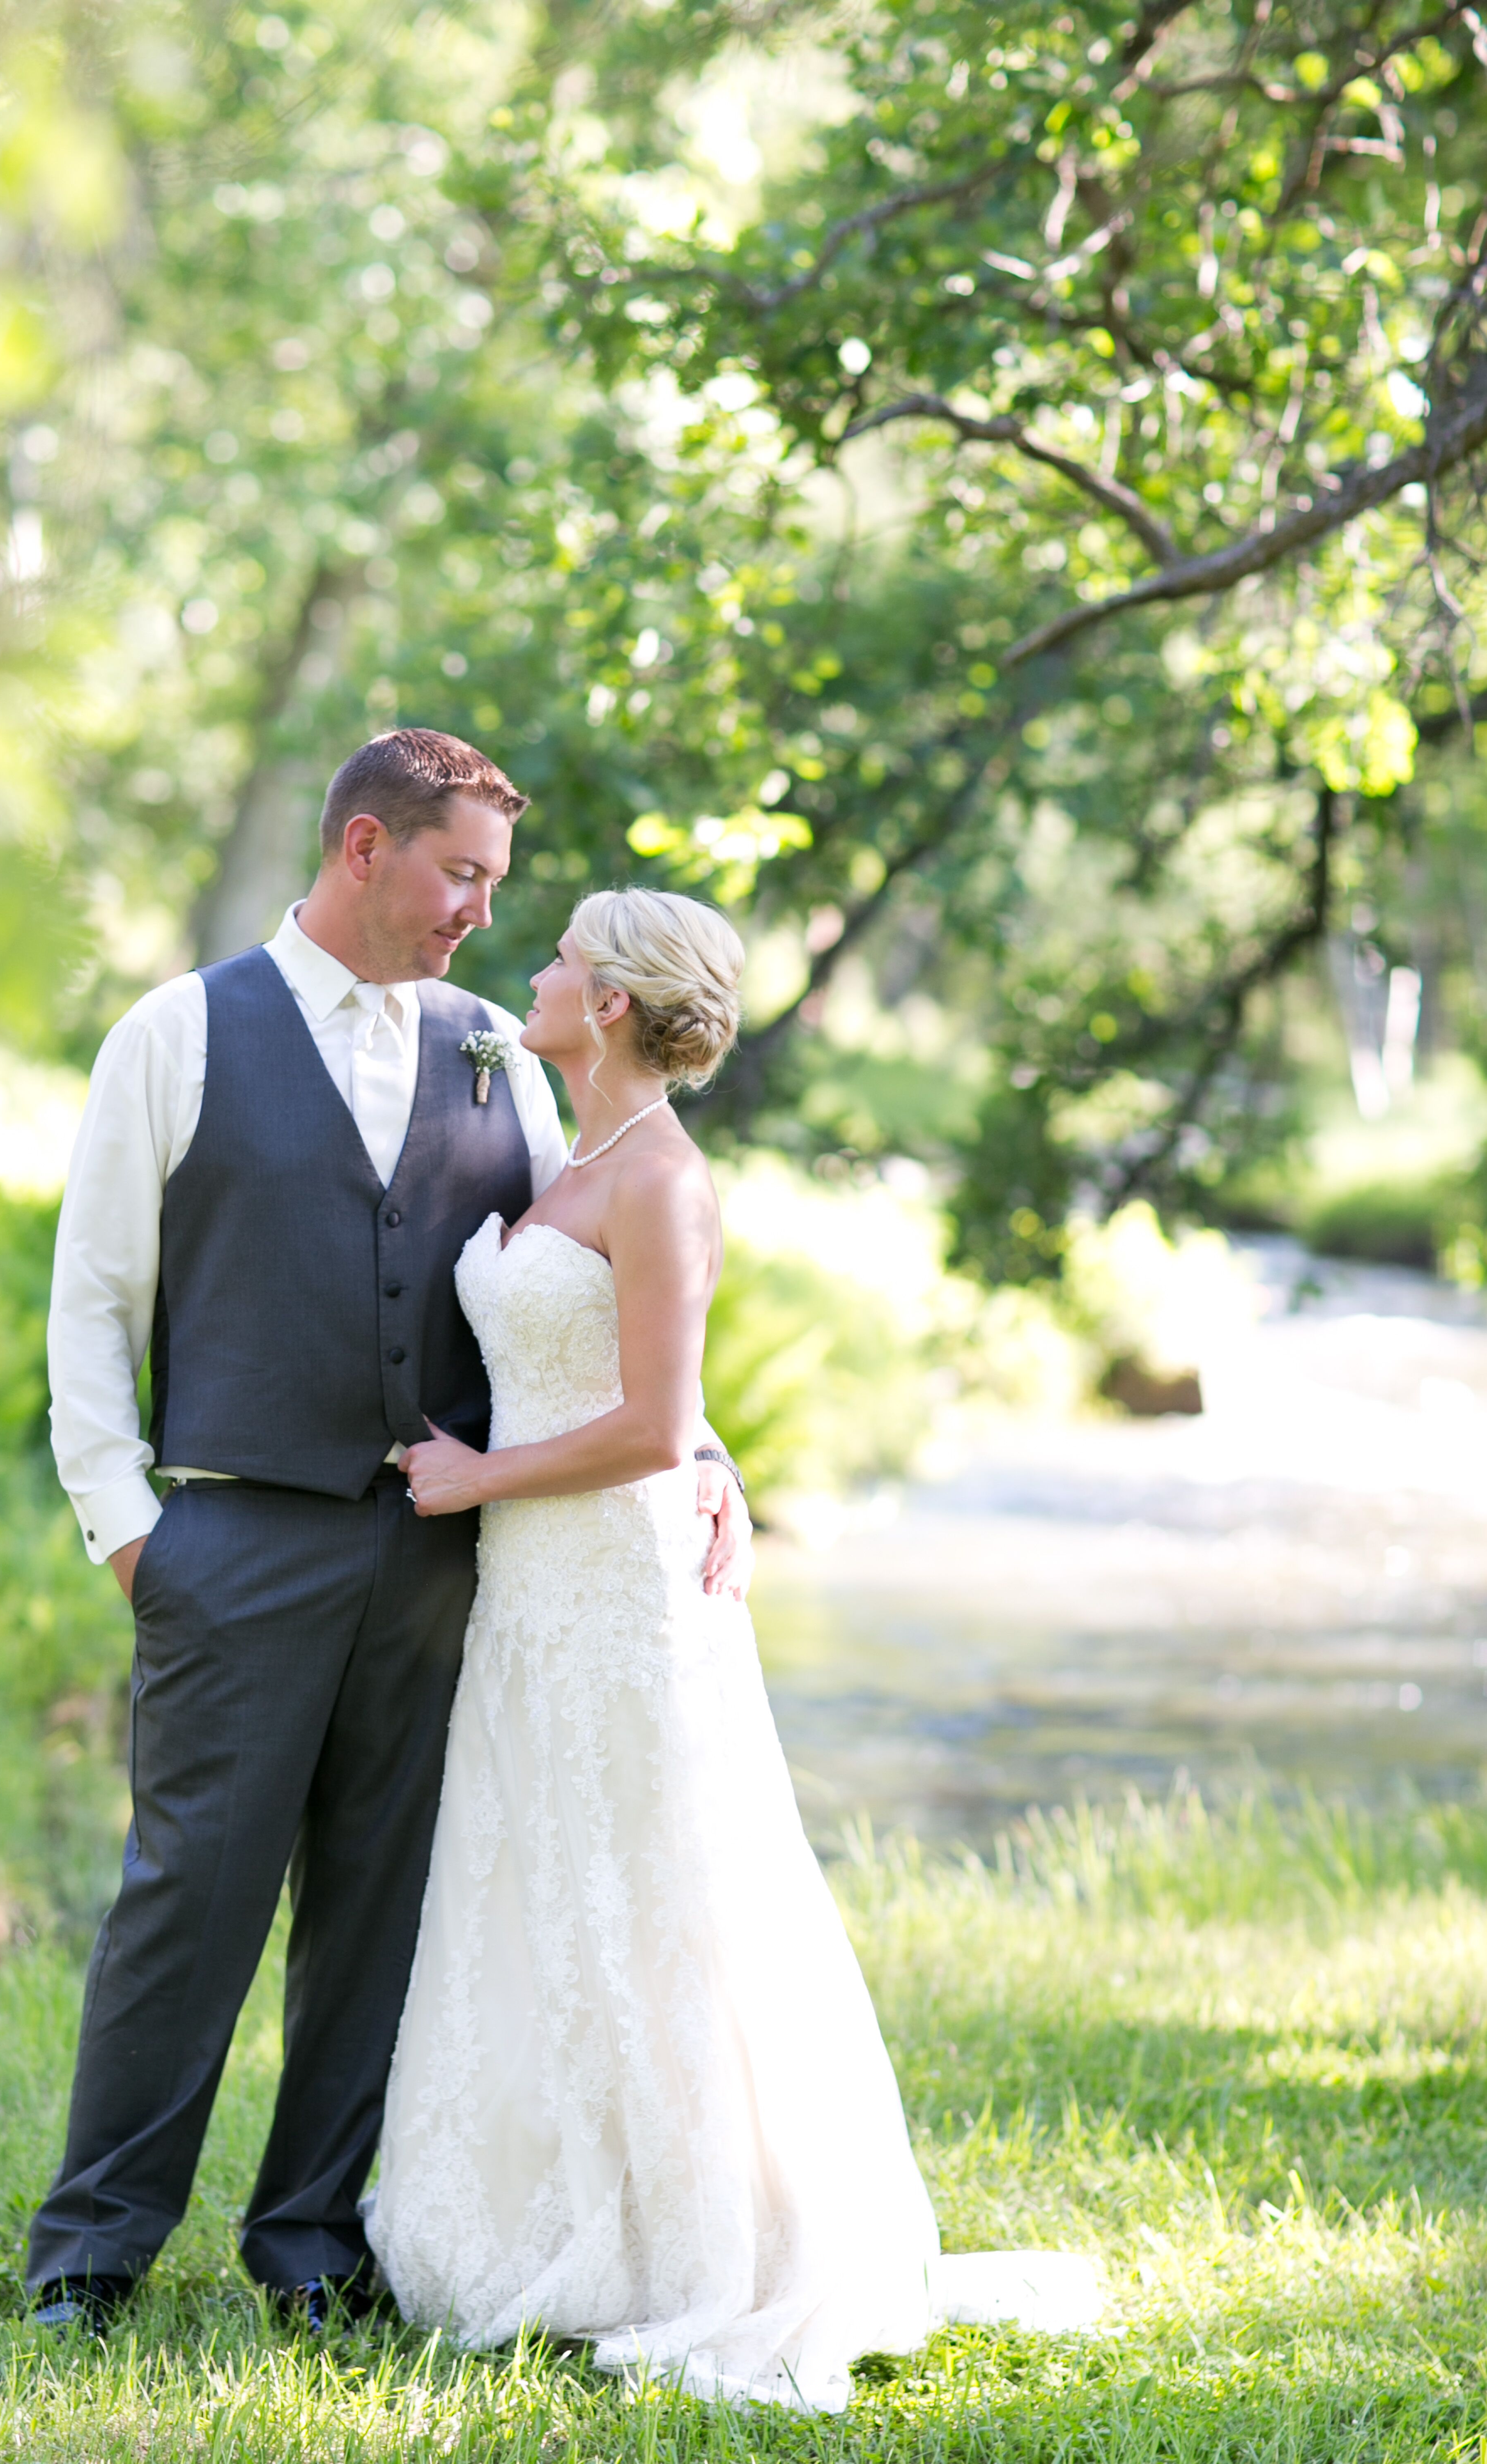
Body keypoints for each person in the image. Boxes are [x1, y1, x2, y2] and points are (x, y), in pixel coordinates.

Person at [29, 733, 751, 2331]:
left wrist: (702, 1453)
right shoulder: (177, 1034)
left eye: (497, 885)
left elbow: (597, 1295)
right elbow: (93, 1299)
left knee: (380, 1909)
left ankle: (308, 2244)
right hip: (234, 1543)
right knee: (188, 1903)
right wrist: (128, 1529)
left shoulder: (501, 1047)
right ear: (367, 847)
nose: (480, 914)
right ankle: (91, 2252)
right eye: (460, 876)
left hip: (441, 1562)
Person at [372, 886, 1099, 2411]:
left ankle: (692, 2245)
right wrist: (723, 1466)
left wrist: (478, 1475)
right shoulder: (569, 1141)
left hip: (615, 1593)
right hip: (533, 1592)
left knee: (654, 1902)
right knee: (544, 1883)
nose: (540, 969)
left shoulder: (665, 1184)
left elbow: (644, 1422)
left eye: (566, 955)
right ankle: (552, 2212)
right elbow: (670, 1413)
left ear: (619, 1002)